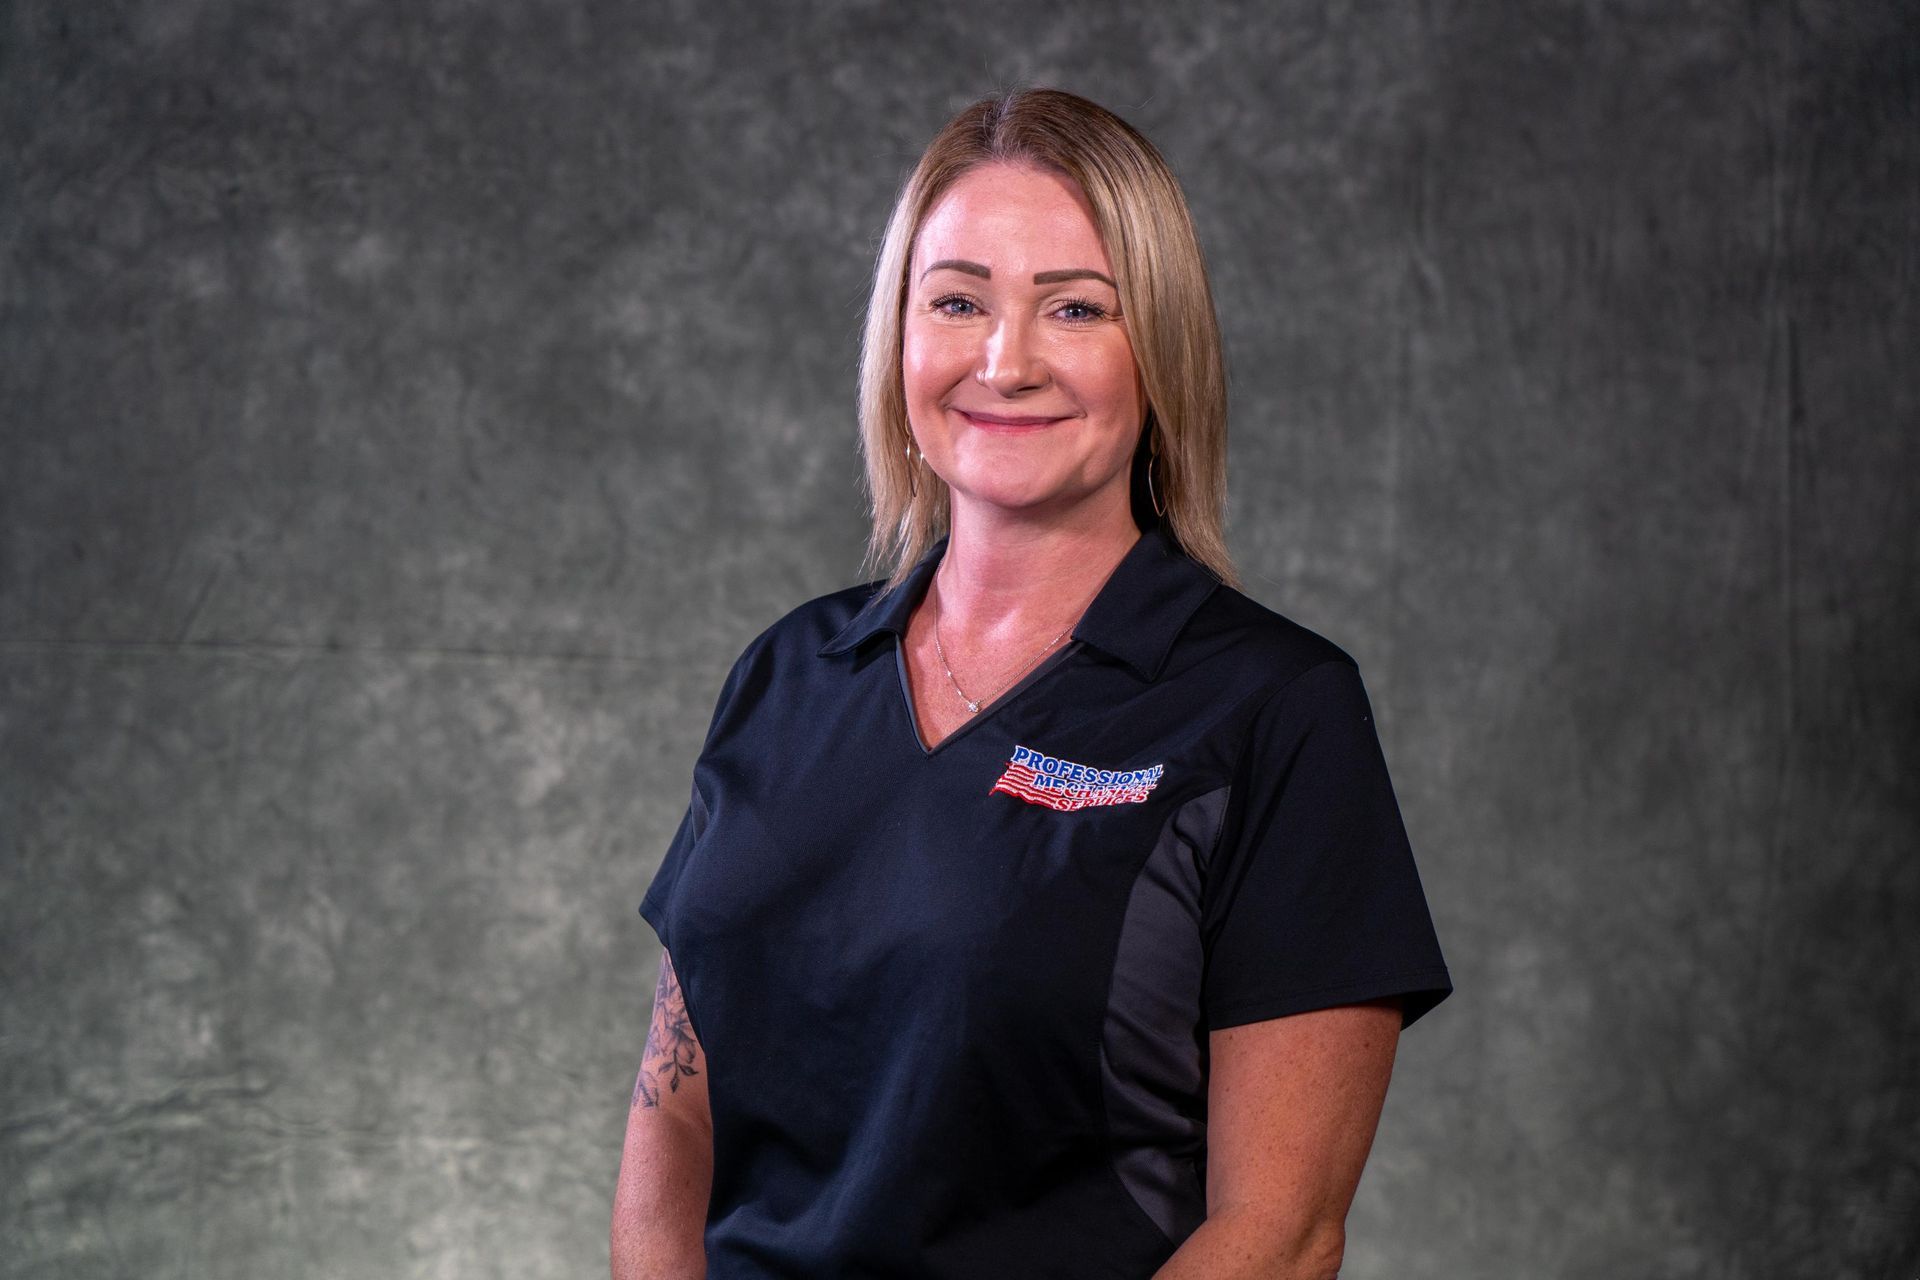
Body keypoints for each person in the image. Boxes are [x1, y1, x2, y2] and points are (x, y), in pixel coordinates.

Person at [611, 88, 1451, 1280]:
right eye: (958, 300)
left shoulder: (1275, 711)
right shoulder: (789, 675)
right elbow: (673, 1117)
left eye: (1075, 308)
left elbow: (1281, 1231)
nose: (1005, 361)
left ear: (1159, 352)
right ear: (900, 338)